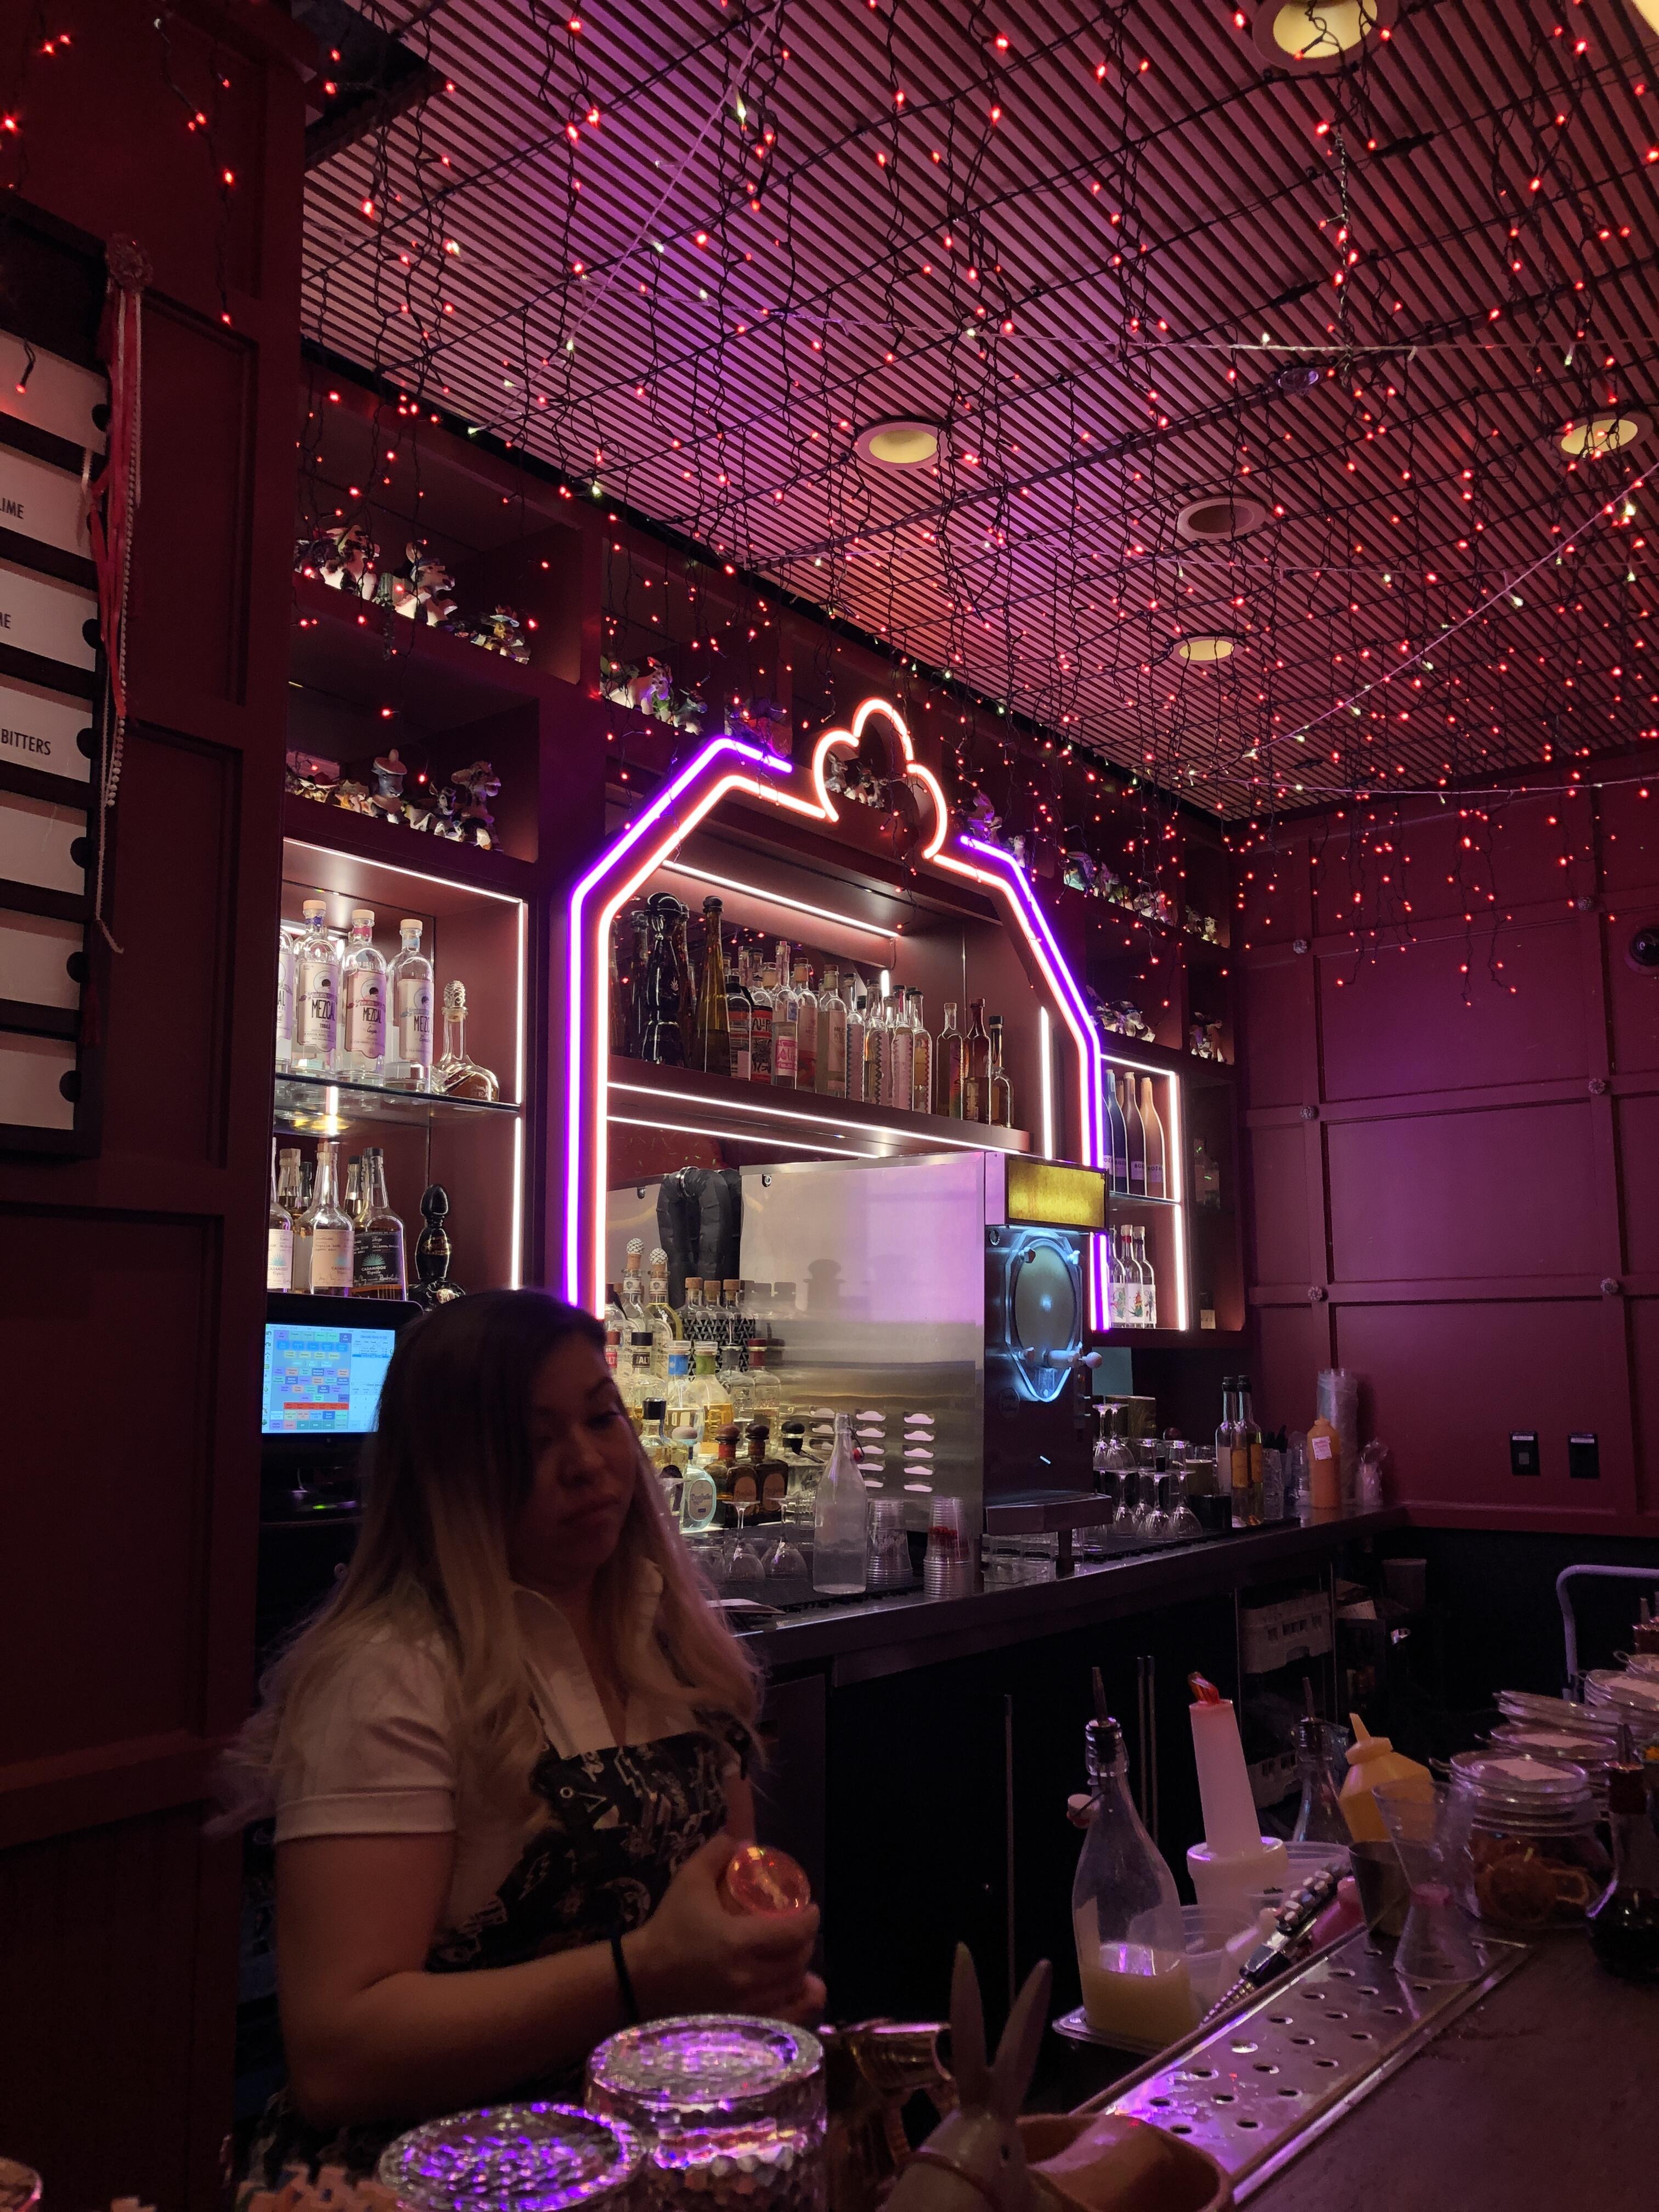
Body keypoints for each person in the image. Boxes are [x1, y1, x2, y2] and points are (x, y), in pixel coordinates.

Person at [225, 1289, 821, 2179]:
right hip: (423, 2184)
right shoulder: (390, 1673)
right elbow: (337, 2056)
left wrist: (752, 1978)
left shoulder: (675, 1646)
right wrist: (644, 1973)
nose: (585, 1462)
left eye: (599, 1418)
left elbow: (728, 1905)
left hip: (652, 2167)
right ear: (452, 1473)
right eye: (534, 1442)